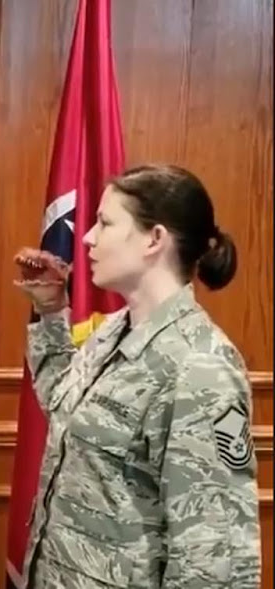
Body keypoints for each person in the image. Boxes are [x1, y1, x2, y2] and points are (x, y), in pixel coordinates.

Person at [13, 164, 261, 588]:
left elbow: (216, 555)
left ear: (154, 239)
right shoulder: (114, 330)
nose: (88, 237)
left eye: (106, 223)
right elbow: (62, 404)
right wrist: (52, 311)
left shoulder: (203, 368)